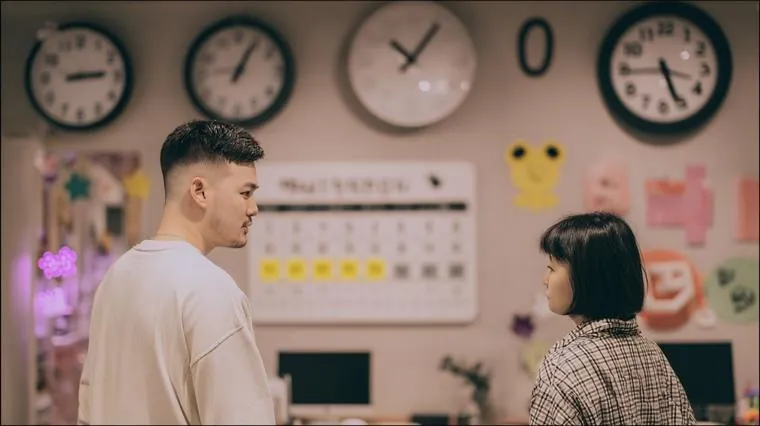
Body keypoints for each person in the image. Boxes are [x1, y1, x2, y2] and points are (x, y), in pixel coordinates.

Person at [78, 120, 275, 425]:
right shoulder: (211, 291)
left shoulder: (116, 278)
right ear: (199, 191)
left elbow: (88, 408)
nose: (253, 208)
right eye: (245, 193)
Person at [529, 212, 696, 425]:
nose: (545, 279)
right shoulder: (654, 355)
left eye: (552, 268)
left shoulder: (561, 366)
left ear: (587, 277)